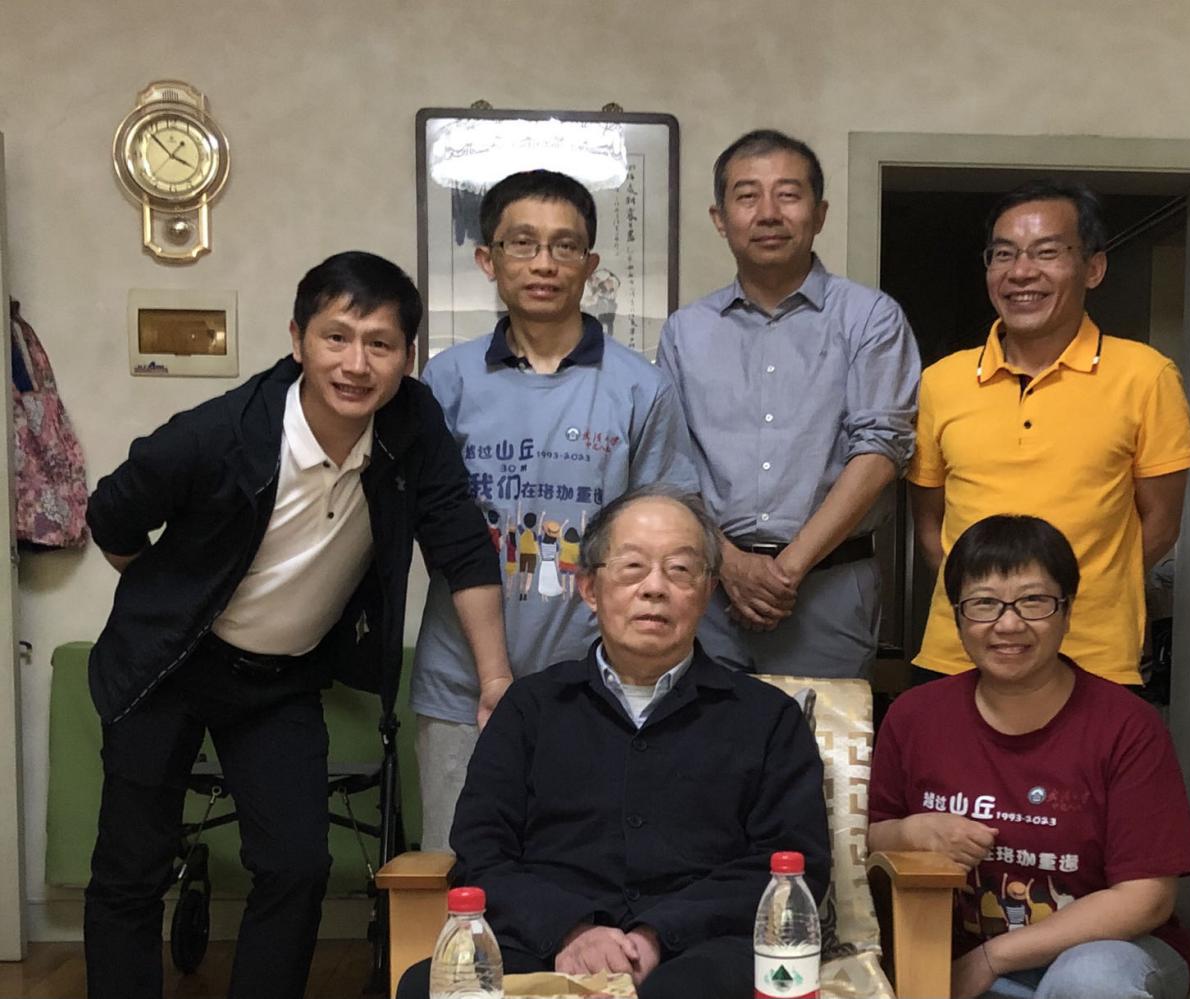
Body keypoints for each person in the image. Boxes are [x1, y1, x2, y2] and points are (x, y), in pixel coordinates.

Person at [82, 251, 507, 999]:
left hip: (279, 680)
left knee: (298, 865)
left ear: (408, 357)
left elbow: (461, 546)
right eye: (336, 337)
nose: (356, 363)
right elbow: (111, 513)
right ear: (297, 340)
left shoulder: (411, 424)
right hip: (167, 668)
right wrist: (169, 597)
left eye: (379, 343)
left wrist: (496, 676)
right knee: (133, 867)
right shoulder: (219, 433)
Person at [394, 484, 831, 999]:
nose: (655, 588)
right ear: (589, 588)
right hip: (545, 940)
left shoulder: (767, 718)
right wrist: (572, 931)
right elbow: (482, 853)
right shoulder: (529, 709)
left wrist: (658, 934)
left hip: (704, 948)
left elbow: (792, 864)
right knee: (427, 986)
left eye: (680, 569)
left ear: (707, 591)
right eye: (632, 567)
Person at [411, 169, 696, 851]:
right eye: (523, 243)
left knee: (587, 875)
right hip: (459, 685)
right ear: (488, 260)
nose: (544, 263)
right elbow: (429, 525)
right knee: (459, 874)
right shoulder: (445, 382)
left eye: (565, 246)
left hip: (598, 687)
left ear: (589, 266)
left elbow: (663, 537)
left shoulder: (640, 388)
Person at [868, 515, 1190, 999]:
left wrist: (992, 958)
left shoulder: (1127, 725)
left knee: (1089, 982)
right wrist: (911, 832)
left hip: (1109, 951)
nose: (1009, 624)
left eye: (1033, 601)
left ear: (1067, 611)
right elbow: (859, 843)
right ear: (957, 616)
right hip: (947, 956)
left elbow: (1146, 898)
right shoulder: (914, 715)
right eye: (984, 603)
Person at [909, 181, 1190, 687]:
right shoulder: (941, 381)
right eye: (1004, 254)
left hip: (1093, 658)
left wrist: (1076, 597)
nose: (1021, 272)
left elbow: (1161, 523)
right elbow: (930, 524)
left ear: (1093, 268)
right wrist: (985, 605)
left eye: (1047, 252)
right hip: (958, 656)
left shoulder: (1146, 376)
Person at [657, 128, 920, 679]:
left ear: (819, 214)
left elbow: (881, 451)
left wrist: (786, 570)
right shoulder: (686, 331)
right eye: (747, 196)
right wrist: (729, 563)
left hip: (830, 586)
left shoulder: (870, 318)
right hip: (708, 587)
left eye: (789, 194)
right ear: (720, 218)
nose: (769, 213)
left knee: (821, 734)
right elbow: (672, 465)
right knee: (700, 730)